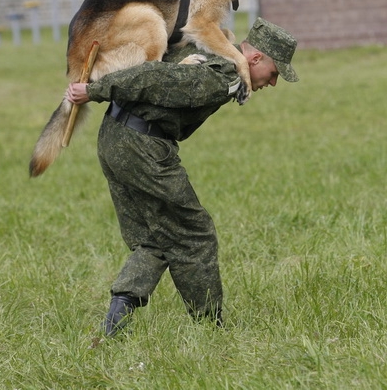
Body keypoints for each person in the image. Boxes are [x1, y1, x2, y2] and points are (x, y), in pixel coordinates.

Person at [64, 18, 298, 335]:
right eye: (274, 73)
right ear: (255, 59)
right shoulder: (224, 74)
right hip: (142, 147)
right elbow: (154, 77)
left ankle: (116, 323)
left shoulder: (210, 47)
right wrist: (95, 90)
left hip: (114, 137)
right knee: (194, 234)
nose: (272, 83)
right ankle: (210, 327)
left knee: (156, 237)